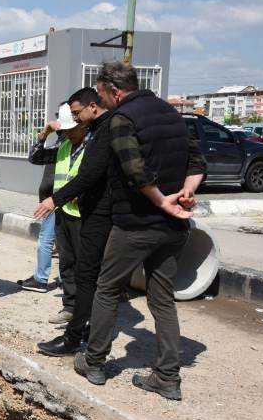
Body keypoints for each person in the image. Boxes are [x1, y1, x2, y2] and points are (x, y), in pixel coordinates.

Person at [73, 62, 206, 401]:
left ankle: (95, 362)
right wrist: (186, 195)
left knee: (107, 288)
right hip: (174, 227)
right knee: (162, 300)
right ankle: (167, 377)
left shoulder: (122, 120)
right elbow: (197, 163)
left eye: (102, 95)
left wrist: (163, 201)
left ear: (114, 91)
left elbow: (135, 171)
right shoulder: (173, 116)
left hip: (136, 224)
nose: (102, 102)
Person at [34, 88, 112, 357]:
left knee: (88, 273)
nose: (67, 133)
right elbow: (36, 157)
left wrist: (58, 199)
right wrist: (45, 134)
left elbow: (90, 178)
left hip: (87, 217)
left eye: (71, 127)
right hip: (66, 213)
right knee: (68, 265)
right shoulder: (65, 145)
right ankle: (73, 311)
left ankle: (85, 326)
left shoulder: (97, 141)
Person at [17, 108, 74, 293]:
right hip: (51, 199)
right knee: (54, 241)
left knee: (50, 241)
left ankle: (43, 280)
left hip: (60, 200)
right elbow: (34, 157)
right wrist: (43, 134)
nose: (59, 125)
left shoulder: (73, 143)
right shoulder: (60, 142)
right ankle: (50, 279)